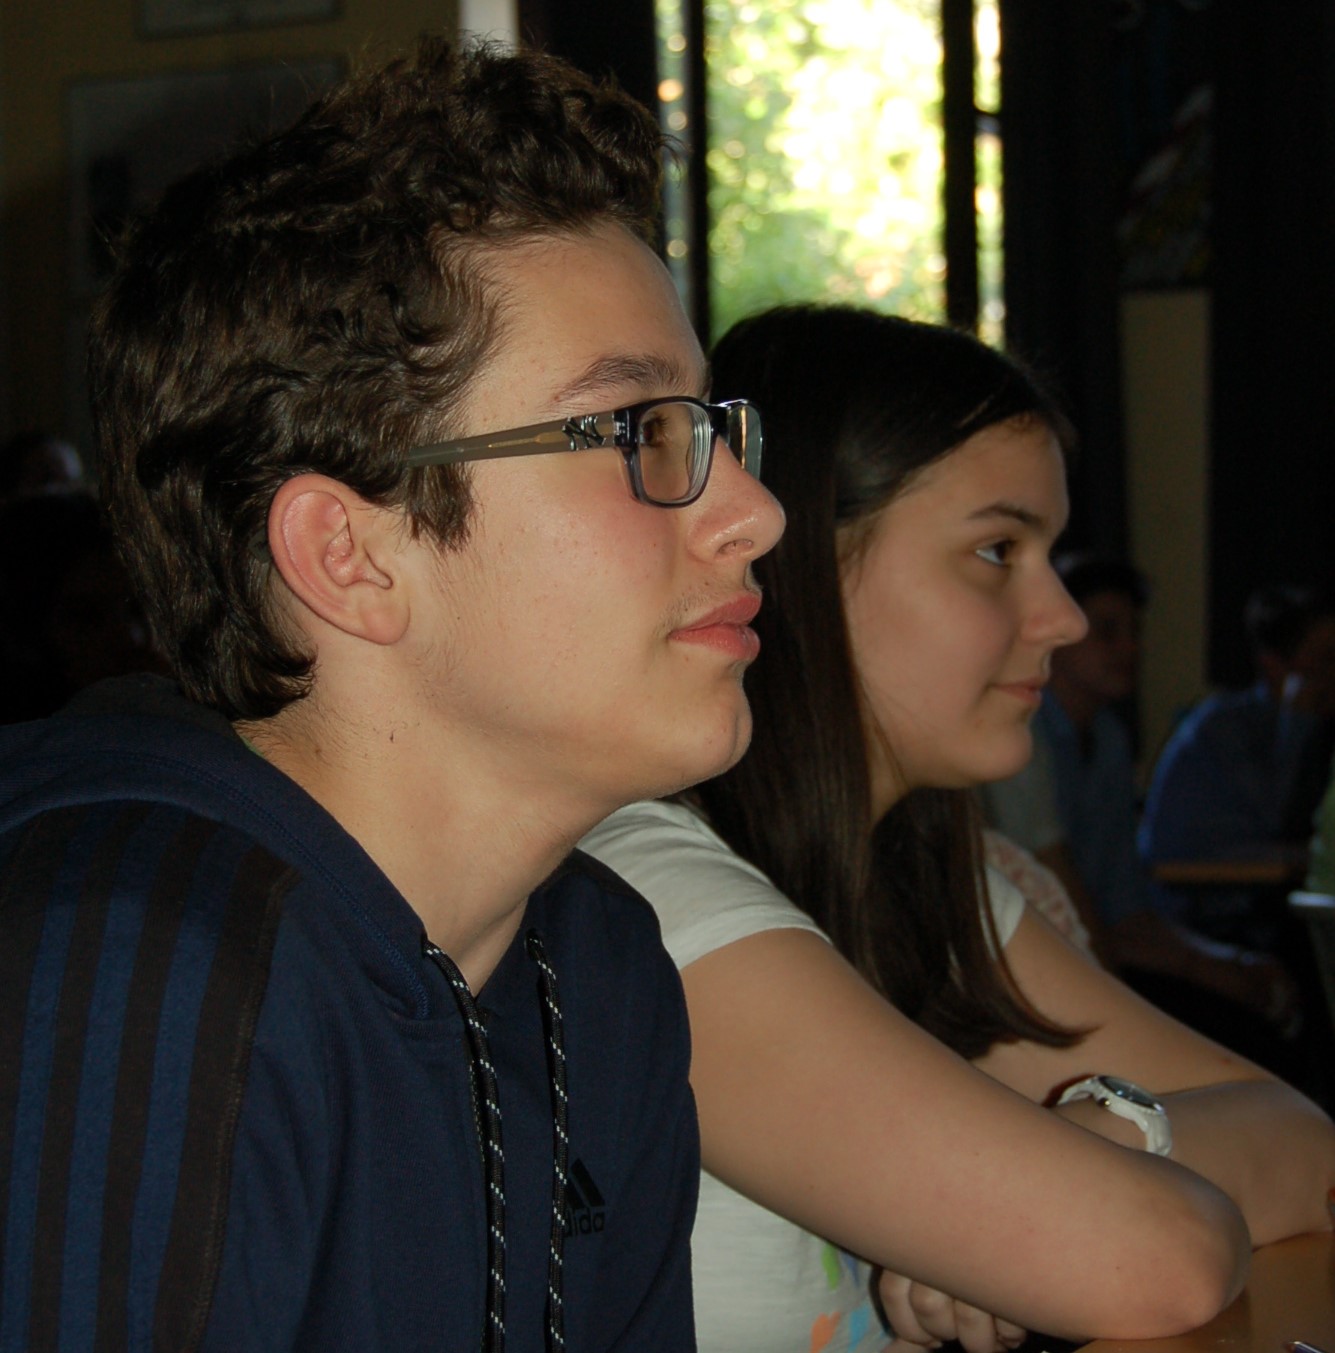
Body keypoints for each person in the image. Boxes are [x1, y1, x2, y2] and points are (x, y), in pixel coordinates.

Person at [0, 38, 784, 1351]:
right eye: (637, 432)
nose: (752, 511)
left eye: (710, 426)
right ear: (350, 556)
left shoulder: (598, 971)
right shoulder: (129, 967)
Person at [582, 305, 1335, 1353]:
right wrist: (1084, 1188)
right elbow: (1154, 1255)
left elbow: (1307, 1144)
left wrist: (1108, 1133)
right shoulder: (647, 899)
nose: (1063, 618)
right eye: (996, 550)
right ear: (801, 563)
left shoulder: (928, 877)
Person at [983, 552, 1300, 1058]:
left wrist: (1229, 963)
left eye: (1135, 631)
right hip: (1034, 959)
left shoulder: (1108, 740)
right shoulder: (1020, 736)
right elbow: (1055, 891)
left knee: (1258, 1014)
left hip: (1103, 951)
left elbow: (1126, 908)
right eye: (1106, 631)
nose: (1129, 647)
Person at [1140, 584, 1335, 923]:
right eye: (1324, 661)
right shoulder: (1223, 727)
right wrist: (1299, 717)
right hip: (1199, 907)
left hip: (1259, 904)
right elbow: (1279, 818)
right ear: (1274, 666)